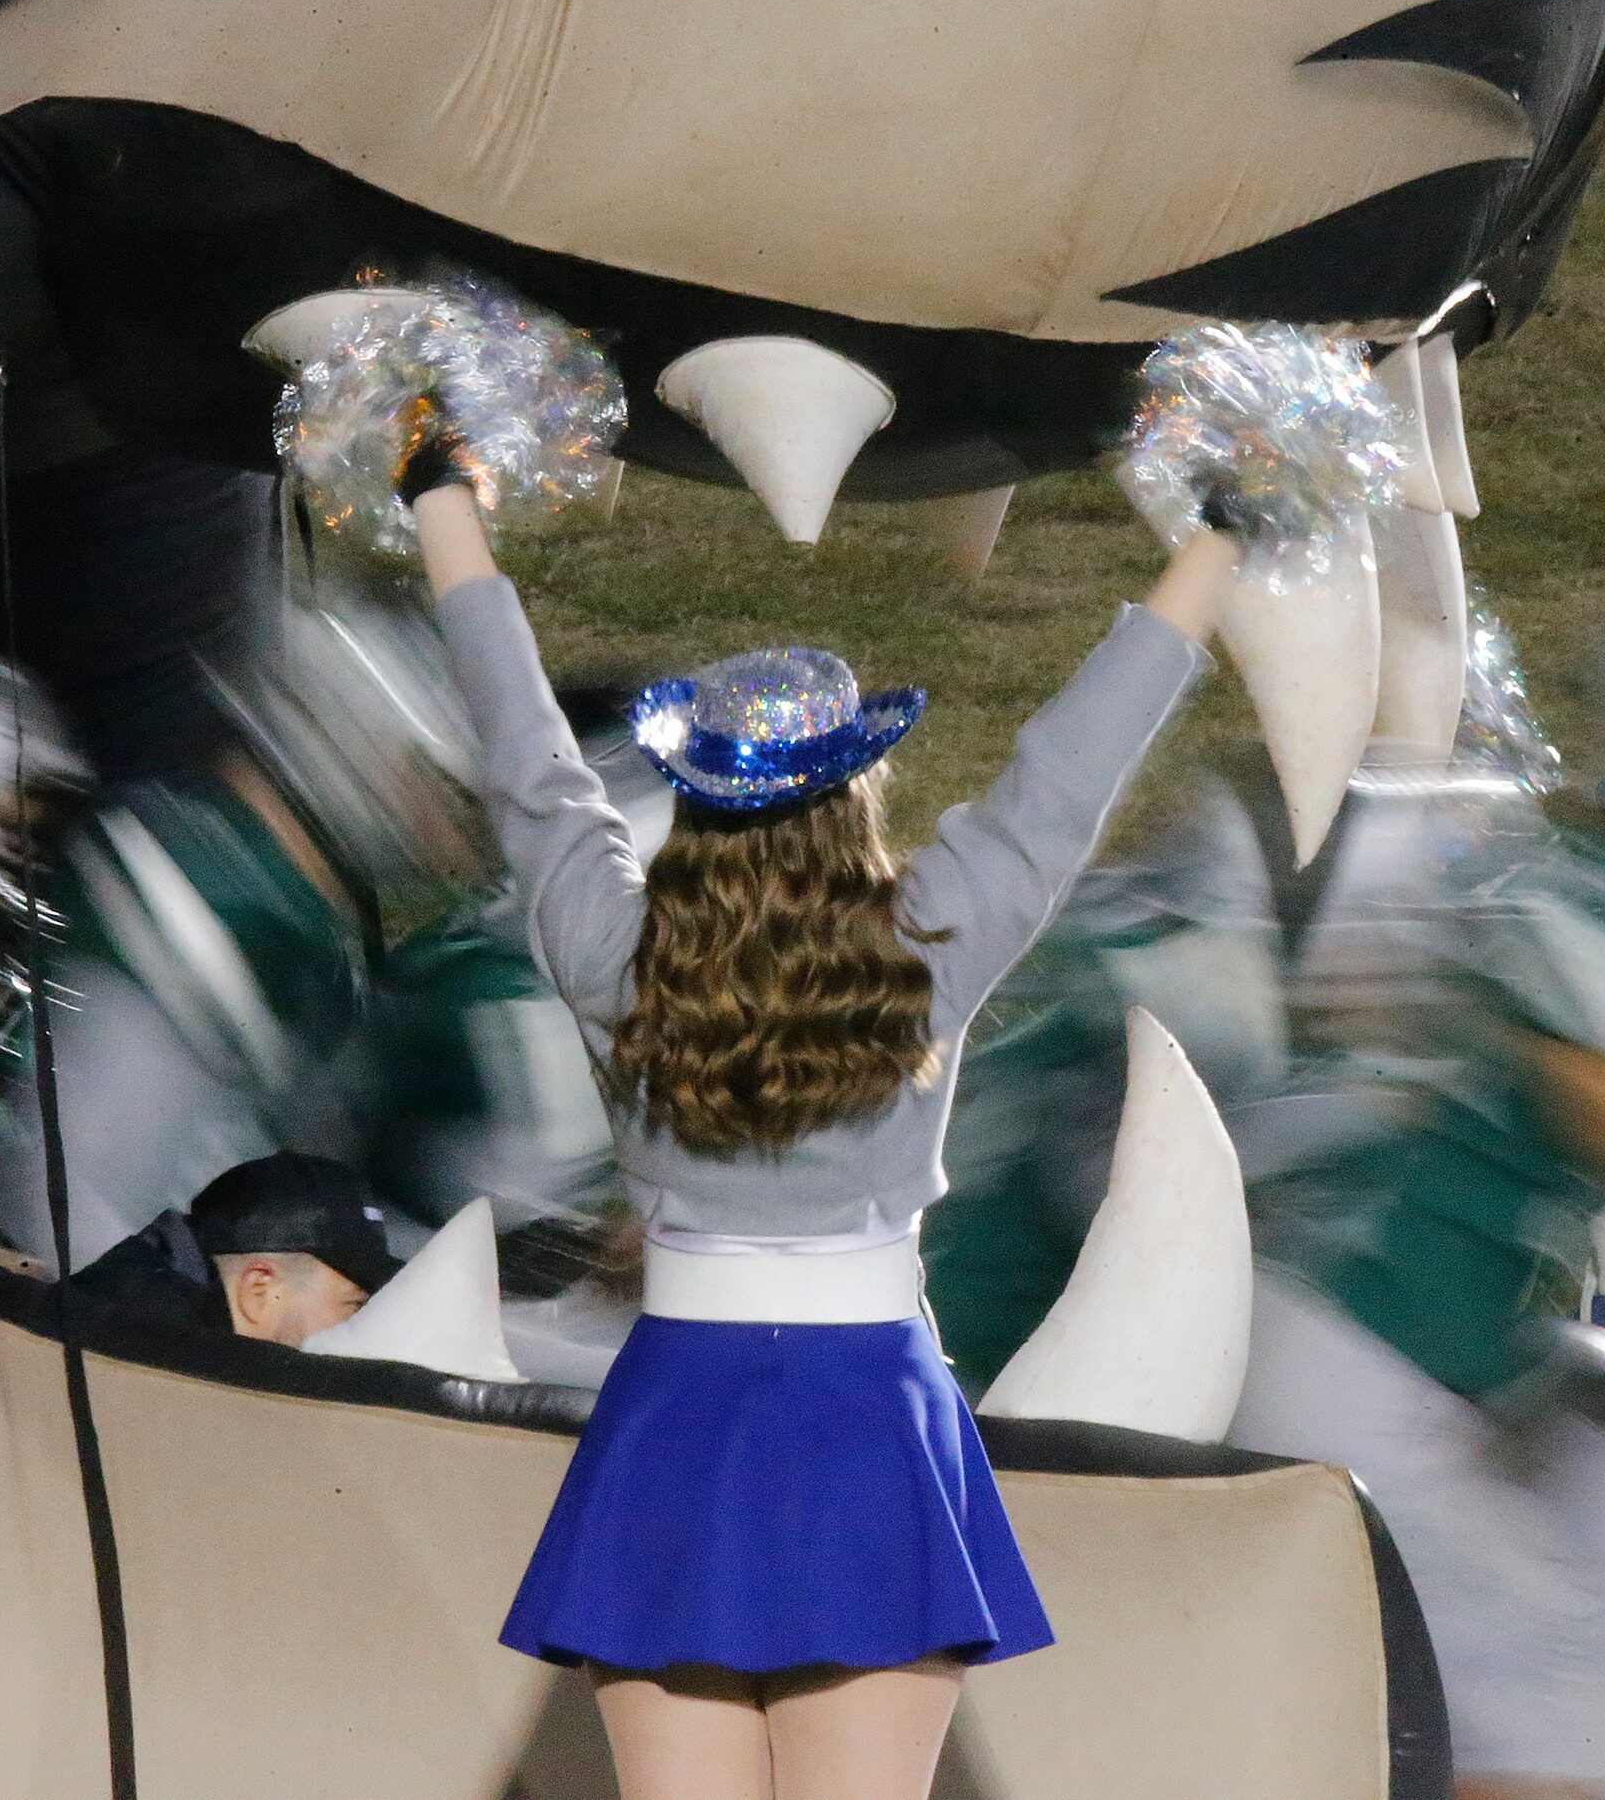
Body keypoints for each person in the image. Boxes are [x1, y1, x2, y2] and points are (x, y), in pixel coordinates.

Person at [402, 453, 1235, 1800]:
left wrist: (439, 499)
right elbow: (1068, 770)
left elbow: (529, 764)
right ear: (853, 796)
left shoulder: (617, 960)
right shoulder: (923, 947)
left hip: (675, 1426)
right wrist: (1222, 537)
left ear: (694, 810)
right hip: (872, 1430)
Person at [70, 1150, 401, 1346]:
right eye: (355, 1307)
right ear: (259, 1290)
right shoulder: (152, 1367)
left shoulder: (138, 1335)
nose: (365, 1330)